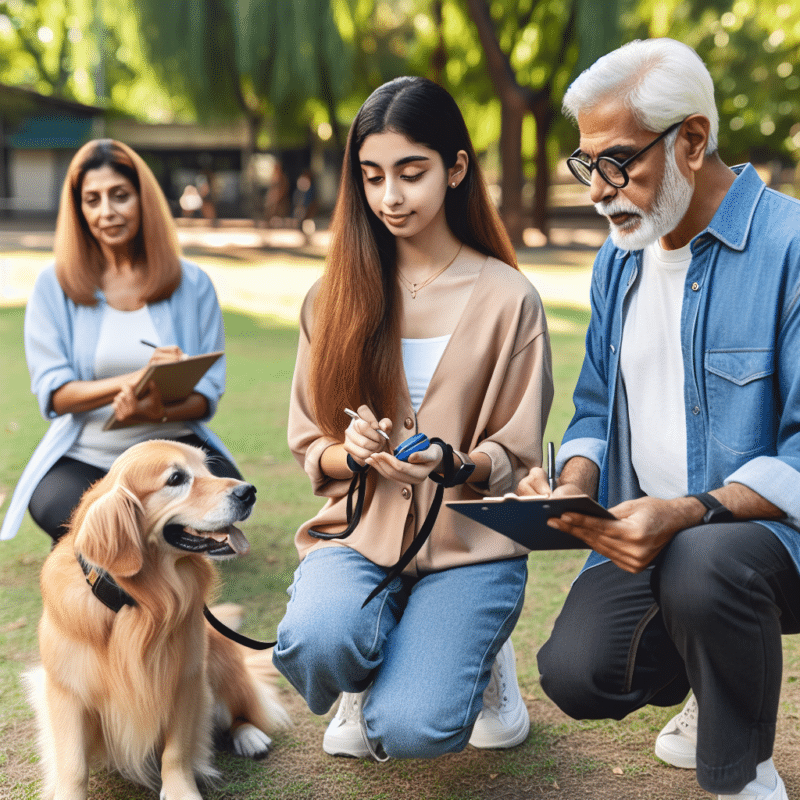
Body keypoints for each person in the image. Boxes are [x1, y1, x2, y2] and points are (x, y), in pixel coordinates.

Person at [518, 39, 800, 800]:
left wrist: (690, 512)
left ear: (693, 140)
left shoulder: (792, 246)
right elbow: (593, 399)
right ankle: (712, 662)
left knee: (704, 563)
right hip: (657, 535)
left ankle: (744, 773)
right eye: (587, 166)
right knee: (576, 673)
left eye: (617, 163)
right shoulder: (620, 256)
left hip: (770, 538)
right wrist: (573, 483)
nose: (598, 190)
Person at [272, 76, 553, 760]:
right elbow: (313, 444)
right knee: (316, 643)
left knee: (413, 730)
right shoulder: (330, 298)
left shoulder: (510, 299)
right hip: (359, 538)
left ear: (456, 168)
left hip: (470, 547)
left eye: (411, 172)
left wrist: (455, 463)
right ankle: (364, 674)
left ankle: (483, 658)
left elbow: (514, 453)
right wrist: (353, 451)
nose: (390, 196)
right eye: (372, 177)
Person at [0, 139, 241, 544]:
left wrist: (158, 410)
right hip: (87, 455)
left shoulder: (193, 283)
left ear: (143, 200)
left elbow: (207, 395)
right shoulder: (53, 287)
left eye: (120, 196)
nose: (106, 212)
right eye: (92, 200)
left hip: (174, 450)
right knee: (75, 519)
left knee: (227, 499)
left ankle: (159, 539)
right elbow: (55, 394)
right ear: (78, 210)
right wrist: (137, 381)